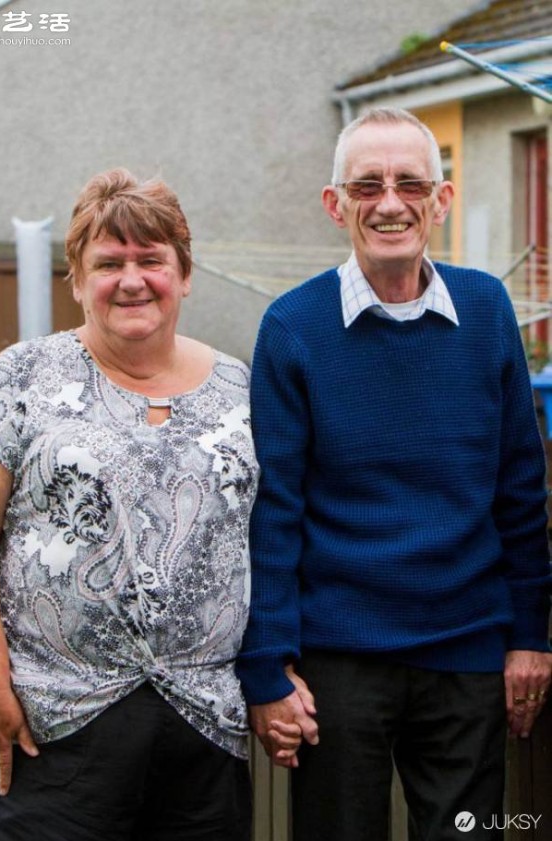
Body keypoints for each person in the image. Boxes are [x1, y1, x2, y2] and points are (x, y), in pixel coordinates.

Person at [236, 107, 552, 841]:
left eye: (411, 183)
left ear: (440, 200)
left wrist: (531, 635)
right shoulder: (293, 327)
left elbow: (519, 487)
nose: (388, 203)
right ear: (335, 203)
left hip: (469, 656)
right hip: (337, 665)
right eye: (367, 184)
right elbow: (272, 511)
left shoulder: (486, 308)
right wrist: (267, 666)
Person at [0, 168, 258, 841]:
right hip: (48, 731)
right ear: (76, 279)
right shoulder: (25, 373)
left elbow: (271, 538)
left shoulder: (241, 389)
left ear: (184, 273)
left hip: (203, 736)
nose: (131, 278)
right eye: (108, 262)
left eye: (151, 259)